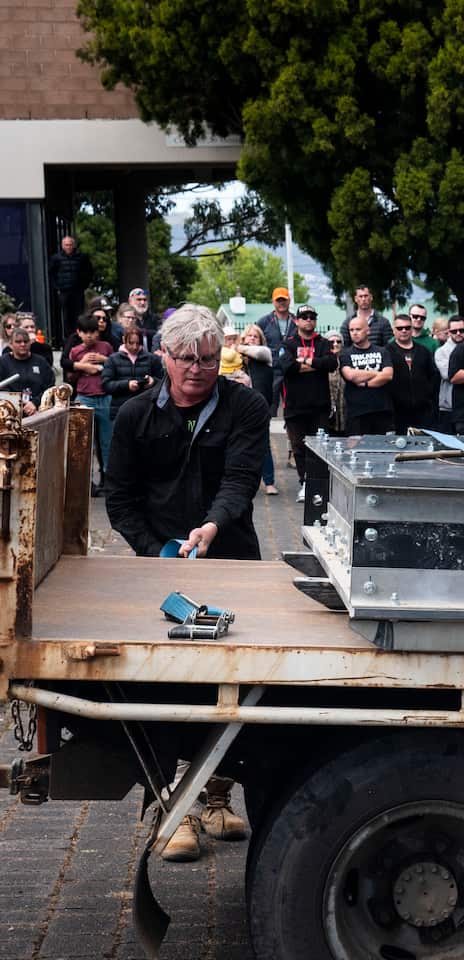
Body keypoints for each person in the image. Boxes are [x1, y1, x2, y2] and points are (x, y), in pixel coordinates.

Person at [104, 304, 268, 862]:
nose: (198, 370)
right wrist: (156, 554)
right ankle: (172, 807)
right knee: (164, 687)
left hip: (232, 556)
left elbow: (241, 478)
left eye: (207, 359)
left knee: (236, 682)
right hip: (160, 566)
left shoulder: (245, 404)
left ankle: (219, 796)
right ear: (164, 357)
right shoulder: (133, 416)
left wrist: (213, 527)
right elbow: (121, 500)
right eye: (187, 360)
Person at [282, 306, 339, 501]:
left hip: (320, 406)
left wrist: (305, 361)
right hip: (295, 407)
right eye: (304, 317)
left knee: (320, 447)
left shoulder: (323, 342)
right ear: (296, 321)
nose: (308, 320)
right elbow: (286, 367)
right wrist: (316, 364)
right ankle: (304, 483)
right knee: (299, 447)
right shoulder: (288, 343)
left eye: (312, 317)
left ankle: (319, 484)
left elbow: (331, 364)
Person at [66, 312, 116, 484]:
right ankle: (84, 481)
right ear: (79, 332)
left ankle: (108, 477)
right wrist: (83, 365)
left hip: (105, 397)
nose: (89, 336)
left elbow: (116, 369)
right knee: (82, 441)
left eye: (93, 332)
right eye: (85, 332)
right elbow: (70, 378)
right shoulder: (75, 351)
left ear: (98, 332)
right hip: (84, 398)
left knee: (107, 441)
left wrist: (104, 361)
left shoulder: (106, 347)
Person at [237, 324, 278, 495]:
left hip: (260, 406)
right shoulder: (237, 360)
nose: (252, 338)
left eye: (256, 336)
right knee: (238, 444)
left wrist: (238, 346)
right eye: (249, 336)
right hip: (240, 407)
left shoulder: (265, 354)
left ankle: (269, 482)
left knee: (263, 444)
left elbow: (259, 353)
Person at [340, 316, 395, 435]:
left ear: (368, 330)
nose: (354, 333)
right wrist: (377, 373)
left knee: (381, 450)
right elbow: (351, 376)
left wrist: (365, 383)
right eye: (351, 330)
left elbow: (388, 376)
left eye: (358, 329)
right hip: (357, 412)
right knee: (356, 450)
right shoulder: (345, 354)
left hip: (381, 410)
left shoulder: (382, 351)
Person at [387, 313, 438, 433]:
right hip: (397, 413)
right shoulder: (387, 352)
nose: (404, 331)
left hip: (423, 411)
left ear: (412, 329)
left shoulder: (423, 351)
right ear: (394, 330)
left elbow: (433, 377)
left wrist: (429, 399)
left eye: (407, 327)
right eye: (400, 328)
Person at [100, 325, 162, 420]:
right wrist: (127, 384)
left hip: (145, 409)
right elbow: (106, 385)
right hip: (119, 409)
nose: (135, 347)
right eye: (131, 343)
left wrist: (153, 381)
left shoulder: (152, 359)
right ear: (124, 340)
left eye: (138, 343)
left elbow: (162, 381)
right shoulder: (113, 359)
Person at [256, 287, 296, 415]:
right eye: (278, 300)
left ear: (289, 301)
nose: (281, 303)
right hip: (271, 370)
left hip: (292, 370)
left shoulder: (297, 321)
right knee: (268, 407)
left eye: (284, 300)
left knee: (293, 407)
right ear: (273, 302)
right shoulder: (264, 322)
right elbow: (256, 341)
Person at [0, 327, 55, 416]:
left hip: (39, 411)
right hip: (11, 414)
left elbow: (50, 387)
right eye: (18, 342)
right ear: (10, 344)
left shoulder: (41, 362)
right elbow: (2, 389)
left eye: (26, 341)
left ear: (30, 342)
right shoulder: (3, 362)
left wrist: (35, 402)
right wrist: (21, 404)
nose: (23, 344)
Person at [48, 235, 93, 341]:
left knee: (79, 314)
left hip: (77, 291)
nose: (68, 247)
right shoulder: (56, 258)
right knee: (65, 316)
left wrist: (84, 286)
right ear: (62, 246)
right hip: (64, 291)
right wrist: (57, 287)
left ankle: (79, 336)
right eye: (66, 245)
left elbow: (89, 272)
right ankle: (67, 339)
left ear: (74, 245)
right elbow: (51, 273)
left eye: (70, 245)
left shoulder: (82, 257)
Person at [434, 315, 464, 434]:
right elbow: (449, 375)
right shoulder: (441, 351)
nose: (458, 333)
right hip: (449, 406)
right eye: (454, 331)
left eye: (462, 330)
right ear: (448, 332)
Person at [325, 331, 348, 436]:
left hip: (345, 411)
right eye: (331, 341)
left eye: (338, 341)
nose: (335, 344)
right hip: (328, 412)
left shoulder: (347, 361)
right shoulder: (322, 362)